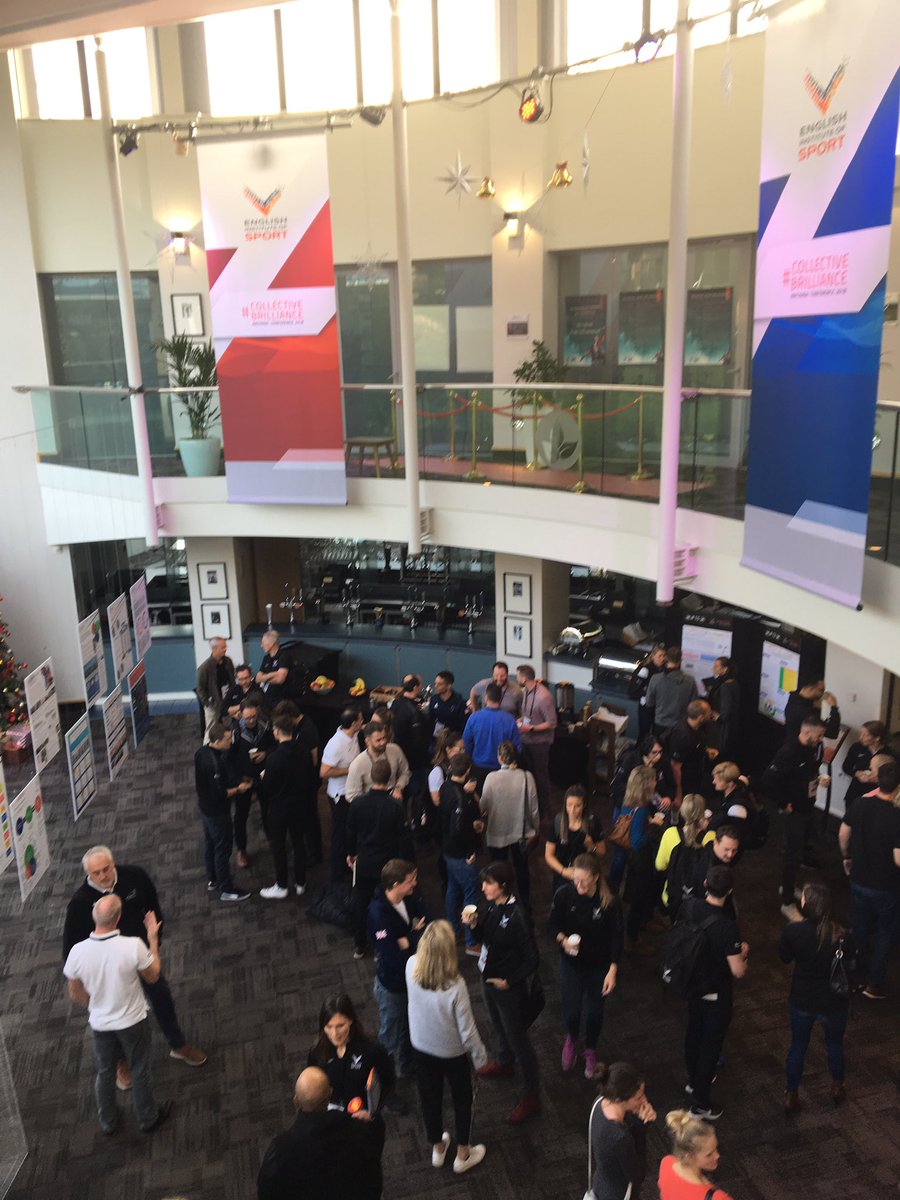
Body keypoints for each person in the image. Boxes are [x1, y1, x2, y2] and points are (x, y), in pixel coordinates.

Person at [62, 846, 206, 1090]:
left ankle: (178, 1044)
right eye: (96, 873)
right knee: (115, 1019)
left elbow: (153, 909)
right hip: (109, 971)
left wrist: (155, 941)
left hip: (140, 956)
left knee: (161, 997)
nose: (103, 876)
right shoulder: (80, 903)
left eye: (106, 869)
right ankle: (122, 1062)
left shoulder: (135, 876)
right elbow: (71, 948)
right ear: (88, 874)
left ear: (113, 863)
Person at [63, 894, 173, 1134]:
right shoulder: (132, 946)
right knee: (139, 1068)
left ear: (94, 917)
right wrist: (153, 939)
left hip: (100, 1024)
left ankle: (108, 1122)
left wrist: (96, 1006)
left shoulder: (77, 952)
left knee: (105, 1072)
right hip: (133, 1021)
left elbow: (74, 992)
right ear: (118, 917)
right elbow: (153, 975)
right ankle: (147, 1118)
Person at [405, 921, 488, 1174]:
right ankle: (463, 1153)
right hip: (452, 1054)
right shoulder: (455, 985)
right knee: (462, 1099)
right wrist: (481, 1058)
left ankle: (438, 1147)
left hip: (421, 1048)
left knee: (429, 1098)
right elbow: (468, 1031)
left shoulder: (410, 966)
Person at [464, 860, 541, 1125]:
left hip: (508, 989)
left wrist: (510, 981)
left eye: (488, 883)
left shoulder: (518, 916)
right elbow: (484, 937)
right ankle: (505, 1062)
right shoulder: (492, 907)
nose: (483, 887)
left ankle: (531, 1096)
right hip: (488, 979)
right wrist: (473, 925)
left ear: (503, 885)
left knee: (519, 1040)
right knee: (498, 1026)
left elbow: (532, 959)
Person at [678, 864, 748, 1120]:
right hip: (715, 992)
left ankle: (692, 1080)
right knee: (710, 1044)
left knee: (693, 1034)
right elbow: (737, 971)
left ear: (705, 884)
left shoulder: (689, 907)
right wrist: (743, 953)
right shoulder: (727, 927)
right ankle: (701, 1103)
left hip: (690, 984)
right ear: (729, 892)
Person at [779, 881, 853, 1112]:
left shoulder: (793, 931)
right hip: (833, 1000)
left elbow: (784, 957)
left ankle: (791, 1093)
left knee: (798, 1045)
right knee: (834, 1044)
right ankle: (837, 1086)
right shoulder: (841, 935)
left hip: (802, 998)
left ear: (806, 905)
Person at [257, 1066, 382, 1200]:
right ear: (330, 1093)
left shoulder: (280, 1150)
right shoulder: (357, 1131)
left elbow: (266, 1192)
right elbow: (374, 1173)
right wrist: (367, 1124)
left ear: (296, 1102)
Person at [549, 853, 623, 1079]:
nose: (579, 885)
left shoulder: (608, 900)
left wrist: (613, 970)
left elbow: (616, 937)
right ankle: (572, 1038)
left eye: (584, 881)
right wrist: (563, 941)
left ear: (596, 878)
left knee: (596, 1012)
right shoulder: (564, 894)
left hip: (599, 965)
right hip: (571, 962)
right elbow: (552, 925)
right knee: (571, 1010)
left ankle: (590, 1048)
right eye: (575, 880)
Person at [838, 759, 900, 1001]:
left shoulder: (860, 804)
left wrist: (846, 857)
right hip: (886, 886)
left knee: (860, 926)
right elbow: (898, 859)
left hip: (858, 878)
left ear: (877, 780)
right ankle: (874, 984)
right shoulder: (896, 816)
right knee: (886, 933)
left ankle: (855, 971)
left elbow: (843, 833)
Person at [762, 715, 830, 919]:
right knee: (793, 855)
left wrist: (819, 778)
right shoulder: (788, 752)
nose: (821, 740)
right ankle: (787, 903)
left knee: (798, 852)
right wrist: (783, 804)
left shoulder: (811, 748)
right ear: (806, 732)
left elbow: (806, 772)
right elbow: (768, 782)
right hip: (794, 812)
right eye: (819, 735)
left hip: (807, 807)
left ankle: (788, 887)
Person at [307, 993, 396, 1144]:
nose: (334, 1034)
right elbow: (312, 1088)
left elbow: (388, 1081)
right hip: (331, 1126)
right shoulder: (317, 1053)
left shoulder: (371, 1050)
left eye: (340, 1026)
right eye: (329, 1027)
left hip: (364, 1127)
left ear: (350, 1021)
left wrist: (372, 1113)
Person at [367, 859, 426, 1082]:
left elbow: (426, 918)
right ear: (395, 885)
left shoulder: (407, 897)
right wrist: (413, 936)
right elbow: (391, 957)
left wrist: (404, 941)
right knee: (389, 1035)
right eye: (410, 881)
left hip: (409, 980)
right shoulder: (378, 914)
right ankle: (381, 1079)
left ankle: (405, 1066)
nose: (415, 884)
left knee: (408, 1027)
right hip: (392, 986)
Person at [347, 758, 411, 958]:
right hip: (387, 865)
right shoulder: (395, 806)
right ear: (390, 778)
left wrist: (351, 854)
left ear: (371, 776)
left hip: (364, 862)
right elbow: (402, 838)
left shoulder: (357, 804)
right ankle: (380, 945)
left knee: (361, 903)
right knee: (386, 906)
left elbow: (350, 833)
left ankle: (359, 944)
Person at [194, 722, 252, 903]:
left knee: (210, 843)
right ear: (217, 741)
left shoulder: (201, 752)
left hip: (204, 808)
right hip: (217, 812)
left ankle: (213, 879)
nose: (231, 742)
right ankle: (226, 888)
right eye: (227, 739)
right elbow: (221, 793)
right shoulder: (215, 764)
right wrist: (239, 789)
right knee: (222, 849)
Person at [479, 740, 539, 906]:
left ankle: (501, 902)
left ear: (499, 758)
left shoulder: (491, 778)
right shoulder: (527, 777)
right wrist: (536, 830)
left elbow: (483, 807)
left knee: (498, 870)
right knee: (522, 869)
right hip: (520, 833)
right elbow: (534, 809)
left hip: (497, 833)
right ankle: (525, 903)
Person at [438, 751, 484, 956]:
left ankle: (453, 930)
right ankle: (471, 941)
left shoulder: (445, 787)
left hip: (447, 850)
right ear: (467, 771)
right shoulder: (461, 799)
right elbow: (457, 829)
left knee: (453, 889)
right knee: (471, 895)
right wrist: (469, 851)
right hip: (461, 854)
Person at [588, 1061, 655, 1200]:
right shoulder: (620, 1137)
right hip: (620, 1193)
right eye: (638, 1098)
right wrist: (641, 1127)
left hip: (600, 1183)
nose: (644, 1100)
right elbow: (637, 1176)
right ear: (619, 1099)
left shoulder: (599, 1102)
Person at [259, 716, 309, 900]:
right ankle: (301, 882)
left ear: (277, 732)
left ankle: (281, 885)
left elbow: (268, 787)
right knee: (299, 843)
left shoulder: (274, 758)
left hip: (279, 808)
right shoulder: (303, 750)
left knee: (278, 846)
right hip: (300, 805)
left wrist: (264, 778)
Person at [620, 764, 666, 952]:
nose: (656, 782)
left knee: (641, 895)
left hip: (633, 859)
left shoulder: (628, 802)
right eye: (654, 779)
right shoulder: (642, 810)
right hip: (642, 860)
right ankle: (633, 939)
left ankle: (644, 922)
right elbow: (638, 841)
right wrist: (654, 825)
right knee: (639, 898)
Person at [272, 698, 322, 866]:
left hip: (309, 783)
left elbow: (314, 759)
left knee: (310, 818)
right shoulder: (302, 726)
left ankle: (314, 854)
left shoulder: (306, 730)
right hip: (304, 782)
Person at [320, 708, 366, 883]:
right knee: (340, 834)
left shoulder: (353, 734)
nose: (362, 722)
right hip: (340, 796)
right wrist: (351, 770)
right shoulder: (336, 744)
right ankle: (337, 874)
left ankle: (348, 864)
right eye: (360, 720)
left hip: (352, 793)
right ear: (353, 723)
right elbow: (324, 772)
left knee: (350, 832)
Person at [230, 693, 272, 867]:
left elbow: (275, 745)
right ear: (240, 715)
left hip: (263, 775)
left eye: (254, 716)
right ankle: (241, 850)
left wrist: (266, 753)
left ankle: (271, 836)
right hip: (244, 778)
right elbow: (228, 760)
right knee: (241, 816)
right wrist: (238, 780)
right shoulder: (235, 733)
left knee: (268, 808)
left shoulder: (265, 725)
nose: (251, 721)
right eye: (247, 718)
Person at [659, 1109, 734, 1200]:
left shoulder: (667, 1162)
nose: (717, 1156)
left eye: (715, 1149)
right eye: (709, 1155)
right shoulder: (718, 1198)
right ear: (689, 1156)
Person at [515, 664, 557, 817]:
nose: (517, 678)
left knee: (541, 777)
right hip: (526, 740)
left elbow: (552, 723)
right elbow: (528, 714)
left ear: (523, 678)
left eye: (518, 676)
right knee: (528, 775)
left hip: (540, 743)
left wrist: (531, 728)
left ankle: (545, 810)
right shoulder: (525, 691)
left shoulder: (544, 697)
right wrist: (521, 720)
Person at [544, 784, 605, 890]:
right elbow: (549, 855)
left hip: (585, 876)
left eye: (577, 806)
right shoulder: (558, 822)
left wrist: (592, 847)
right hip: (562, 874)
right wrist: (563, 871)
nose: (572, 810)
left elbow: (602, 852)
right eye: (569, 805)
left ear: (584, 805)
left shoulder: (593, 823)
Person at [655, 793, 709, 913]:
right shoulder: (710, 837)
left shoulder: (671, 834)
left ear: (682, 812)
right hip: (701, 900)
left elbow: (660, 865)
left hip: (675, 895)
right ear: (703, 814)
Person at [463, 682, 522, 789]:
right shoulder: (510, 720)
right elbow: (517, 747)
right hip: (501, 769)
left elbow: (466, 743)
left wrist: (471, 759)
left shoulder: (474, 718)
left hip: (478, 767)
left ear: (486, 698)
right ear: (501, 699)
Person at [391, 674, 434, 809]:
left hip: (398, 754)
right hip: (414, 761)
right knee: (414, 792)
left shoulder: (396, 703)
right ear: (415, 687)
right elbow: (419, 741)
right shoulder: (413, 713)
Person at [345, 720, 410, 803]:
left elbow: (405, 772)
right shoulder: (357, 764)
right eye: (378, 740)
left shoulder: (395, 750)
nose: (383, 742)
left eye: (384, 738)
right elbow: (351, 795)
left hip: (395, 801)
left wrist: (398, 788)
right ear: (367, 742)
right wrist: (373, 802)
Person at [667, 700, 717, 805]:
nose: (711, 713)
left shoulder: (697, 726)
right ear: (701, 717)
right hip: (685, 781)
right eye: (709, 712)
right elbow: (675, 766)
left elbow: (695, 743)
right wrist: (678, 793)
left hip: (696, 774)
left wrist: (706, 750)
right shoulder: (682, 737)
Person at [611, 734, 677, 813]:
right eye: (654, 752)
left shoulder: (663, 762)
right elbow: (617, 786)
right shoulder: (631, 760)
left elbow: (672, 784)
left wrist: (668, 797)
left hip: (654, 806)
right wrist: (639, 791)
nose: (658, 756)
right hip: (630, 805)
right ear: (646, 751)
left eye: (660, 752)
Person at [645, 647, 698, 737]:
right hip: (681, 726)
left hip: (660, 723)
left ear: (666, 659)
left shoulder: (656, 678)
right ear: (680, 660)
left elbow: (649, 703)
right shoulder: (690, 681)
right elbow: (693, 706)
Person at [841, 720, 892, 814]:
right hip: (855, 793)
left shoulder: (889, 754)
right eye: (861, 733)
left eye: (865, 735)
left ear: (877, 738)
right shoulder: (856, 747)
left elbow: (893, 778)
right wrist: (857, 773)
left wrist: (875, 779)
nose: (860, 737)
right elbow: (846, 767)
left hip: (876, 798)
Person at [196, 637, 234, 742]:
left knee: (227, 727)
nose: (225, 649)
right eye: (223, 647)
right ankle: (207, 749)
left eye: (225, 646)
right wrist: (208, 704)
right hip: (213, 705)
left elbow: (232, 680)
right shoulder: (204, 668)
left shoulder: (228, 661)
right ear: (214, 649)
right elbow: (200, 689)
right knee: (211, 730)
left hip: (226, 700)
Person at [702, 657, 740, 760]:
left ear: (725, 669)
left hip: (721, 730)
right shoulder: (732, 682)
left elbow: (725, 711)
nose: (713, 668)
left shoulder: (725, 686)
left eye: (716, 666)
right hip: (729, 728)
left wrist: (717, 717)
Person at [628, 644, 667, 739]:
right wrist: (646, 694)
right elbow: (633, 690)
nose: (662, 659)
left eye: (664, 656)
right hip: (646, 707)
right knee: (644, 732)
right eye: (659, 656)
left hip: (658, 706)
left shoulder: (663, 669)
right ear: (653, 656)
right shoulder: (645, 670)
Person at [783, 677, 840, 742]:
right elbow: (832, 733)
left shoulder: (795, 696)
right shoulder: (802, 711)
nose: (823, 694)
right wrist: (834, 706)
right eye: (820, 690)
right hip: (800, 747)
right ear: (810, 689)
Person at [255, 630, 289, 709]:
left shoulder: (284, 656)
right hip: (264, 696)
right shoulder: (266, 658)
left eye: (263, 643)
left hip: (279, 698)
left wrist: (264, 678)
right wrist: (271, 675)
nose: (261, 646)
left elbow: (280, 679)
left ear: (271, 644)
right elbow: (257, 679)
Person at [428, 670, 467, 735]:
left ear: (449, 686)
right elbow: (431, 720)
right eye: (435, 683)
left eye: (440, 684)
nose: (436, 686)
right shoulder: (434, 699)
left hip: (452, 738)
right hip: (436, 737)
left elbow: (463, 725)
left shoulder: (459, 702)